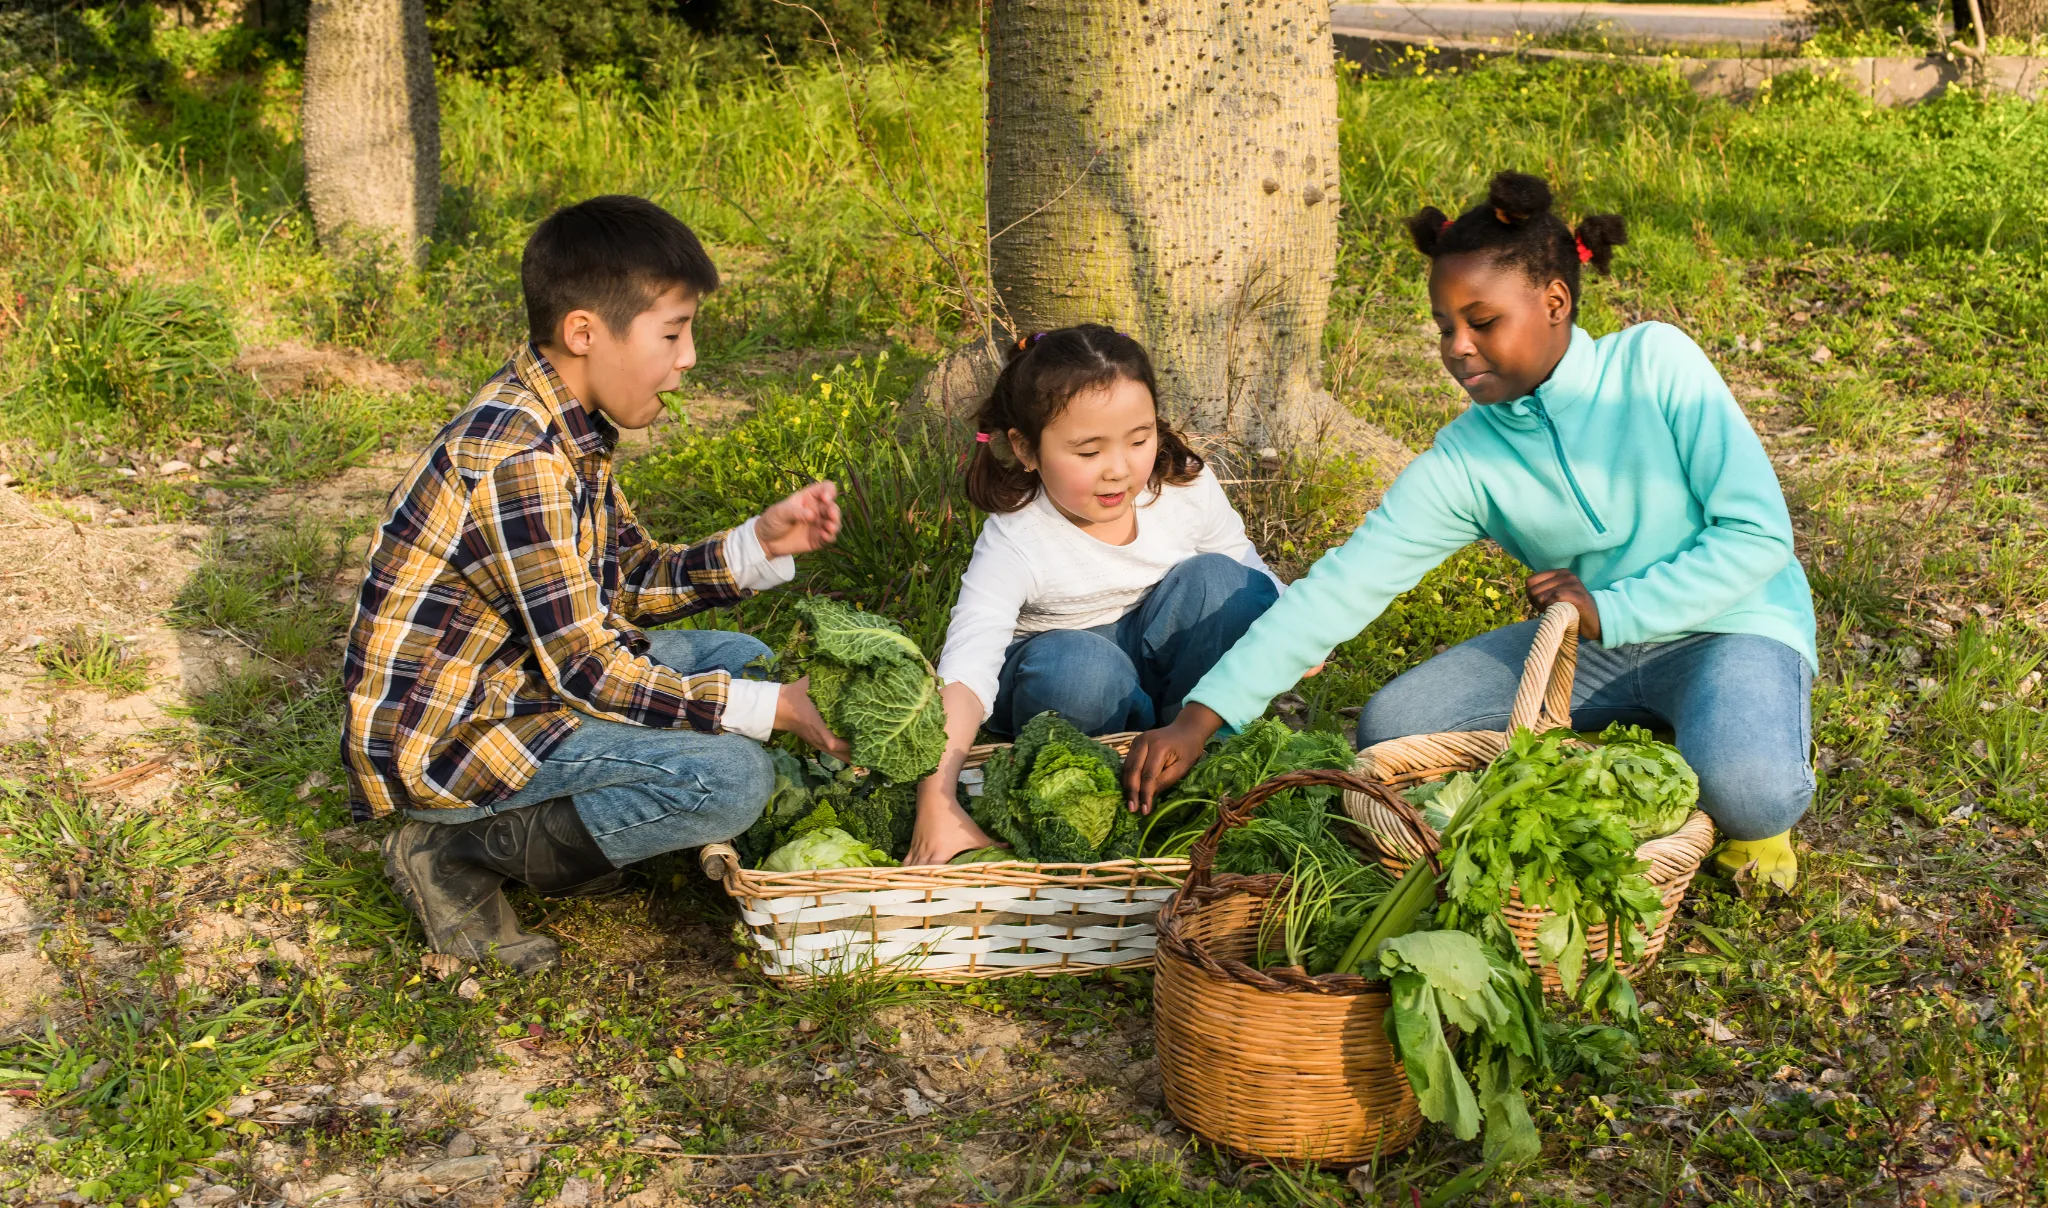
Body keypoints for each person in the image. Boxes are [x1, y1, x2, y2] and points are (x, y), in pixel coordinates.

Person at [1122, 172, 1817, 890]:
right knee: (1397, 726)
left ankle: (1722, 728)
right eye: (1444, 327)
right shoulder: (1467, 457)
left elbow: (1758, 537)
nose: (1456, 346)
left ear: (1555, 301)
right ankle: (1659, 731)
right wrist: (1202, 717)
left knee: (1750, 793)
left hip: (1733, 624)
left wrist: (1618, 608)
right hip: (1586, 646)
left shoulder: (1655, 365)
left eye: (1480, 322)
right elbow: (1341, 587)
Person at [342, 195, 851, 973]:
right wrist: (771, 712)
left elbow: (626, 582)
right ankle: (456, 854)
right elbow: (589, 669)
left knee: (738, 656)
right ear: (585, 332)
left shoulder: (565, 425)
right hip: (452, 739)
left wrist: (757, 544)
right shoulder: (522, 460)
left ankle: (563, 829)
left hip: (515, 683)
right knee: (735, 776)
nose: (688, 357)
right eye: (673, 333)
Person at [902, 325, 1282, 864]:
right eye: (1087, 451)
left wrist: (1290, 629)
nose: (1119, 468)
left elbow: (1245, 565)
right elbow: (967, 667)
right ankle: (1097, 796)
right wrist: (936, 796)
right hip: (1066, 684)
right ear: (1025, 449)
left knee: (1225, 584)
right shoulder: (1016, 538)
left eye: (1139, 439)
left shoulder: (1183, 488)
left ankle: (1196, 759)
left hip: (1163, 659)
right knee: (1082, 667)